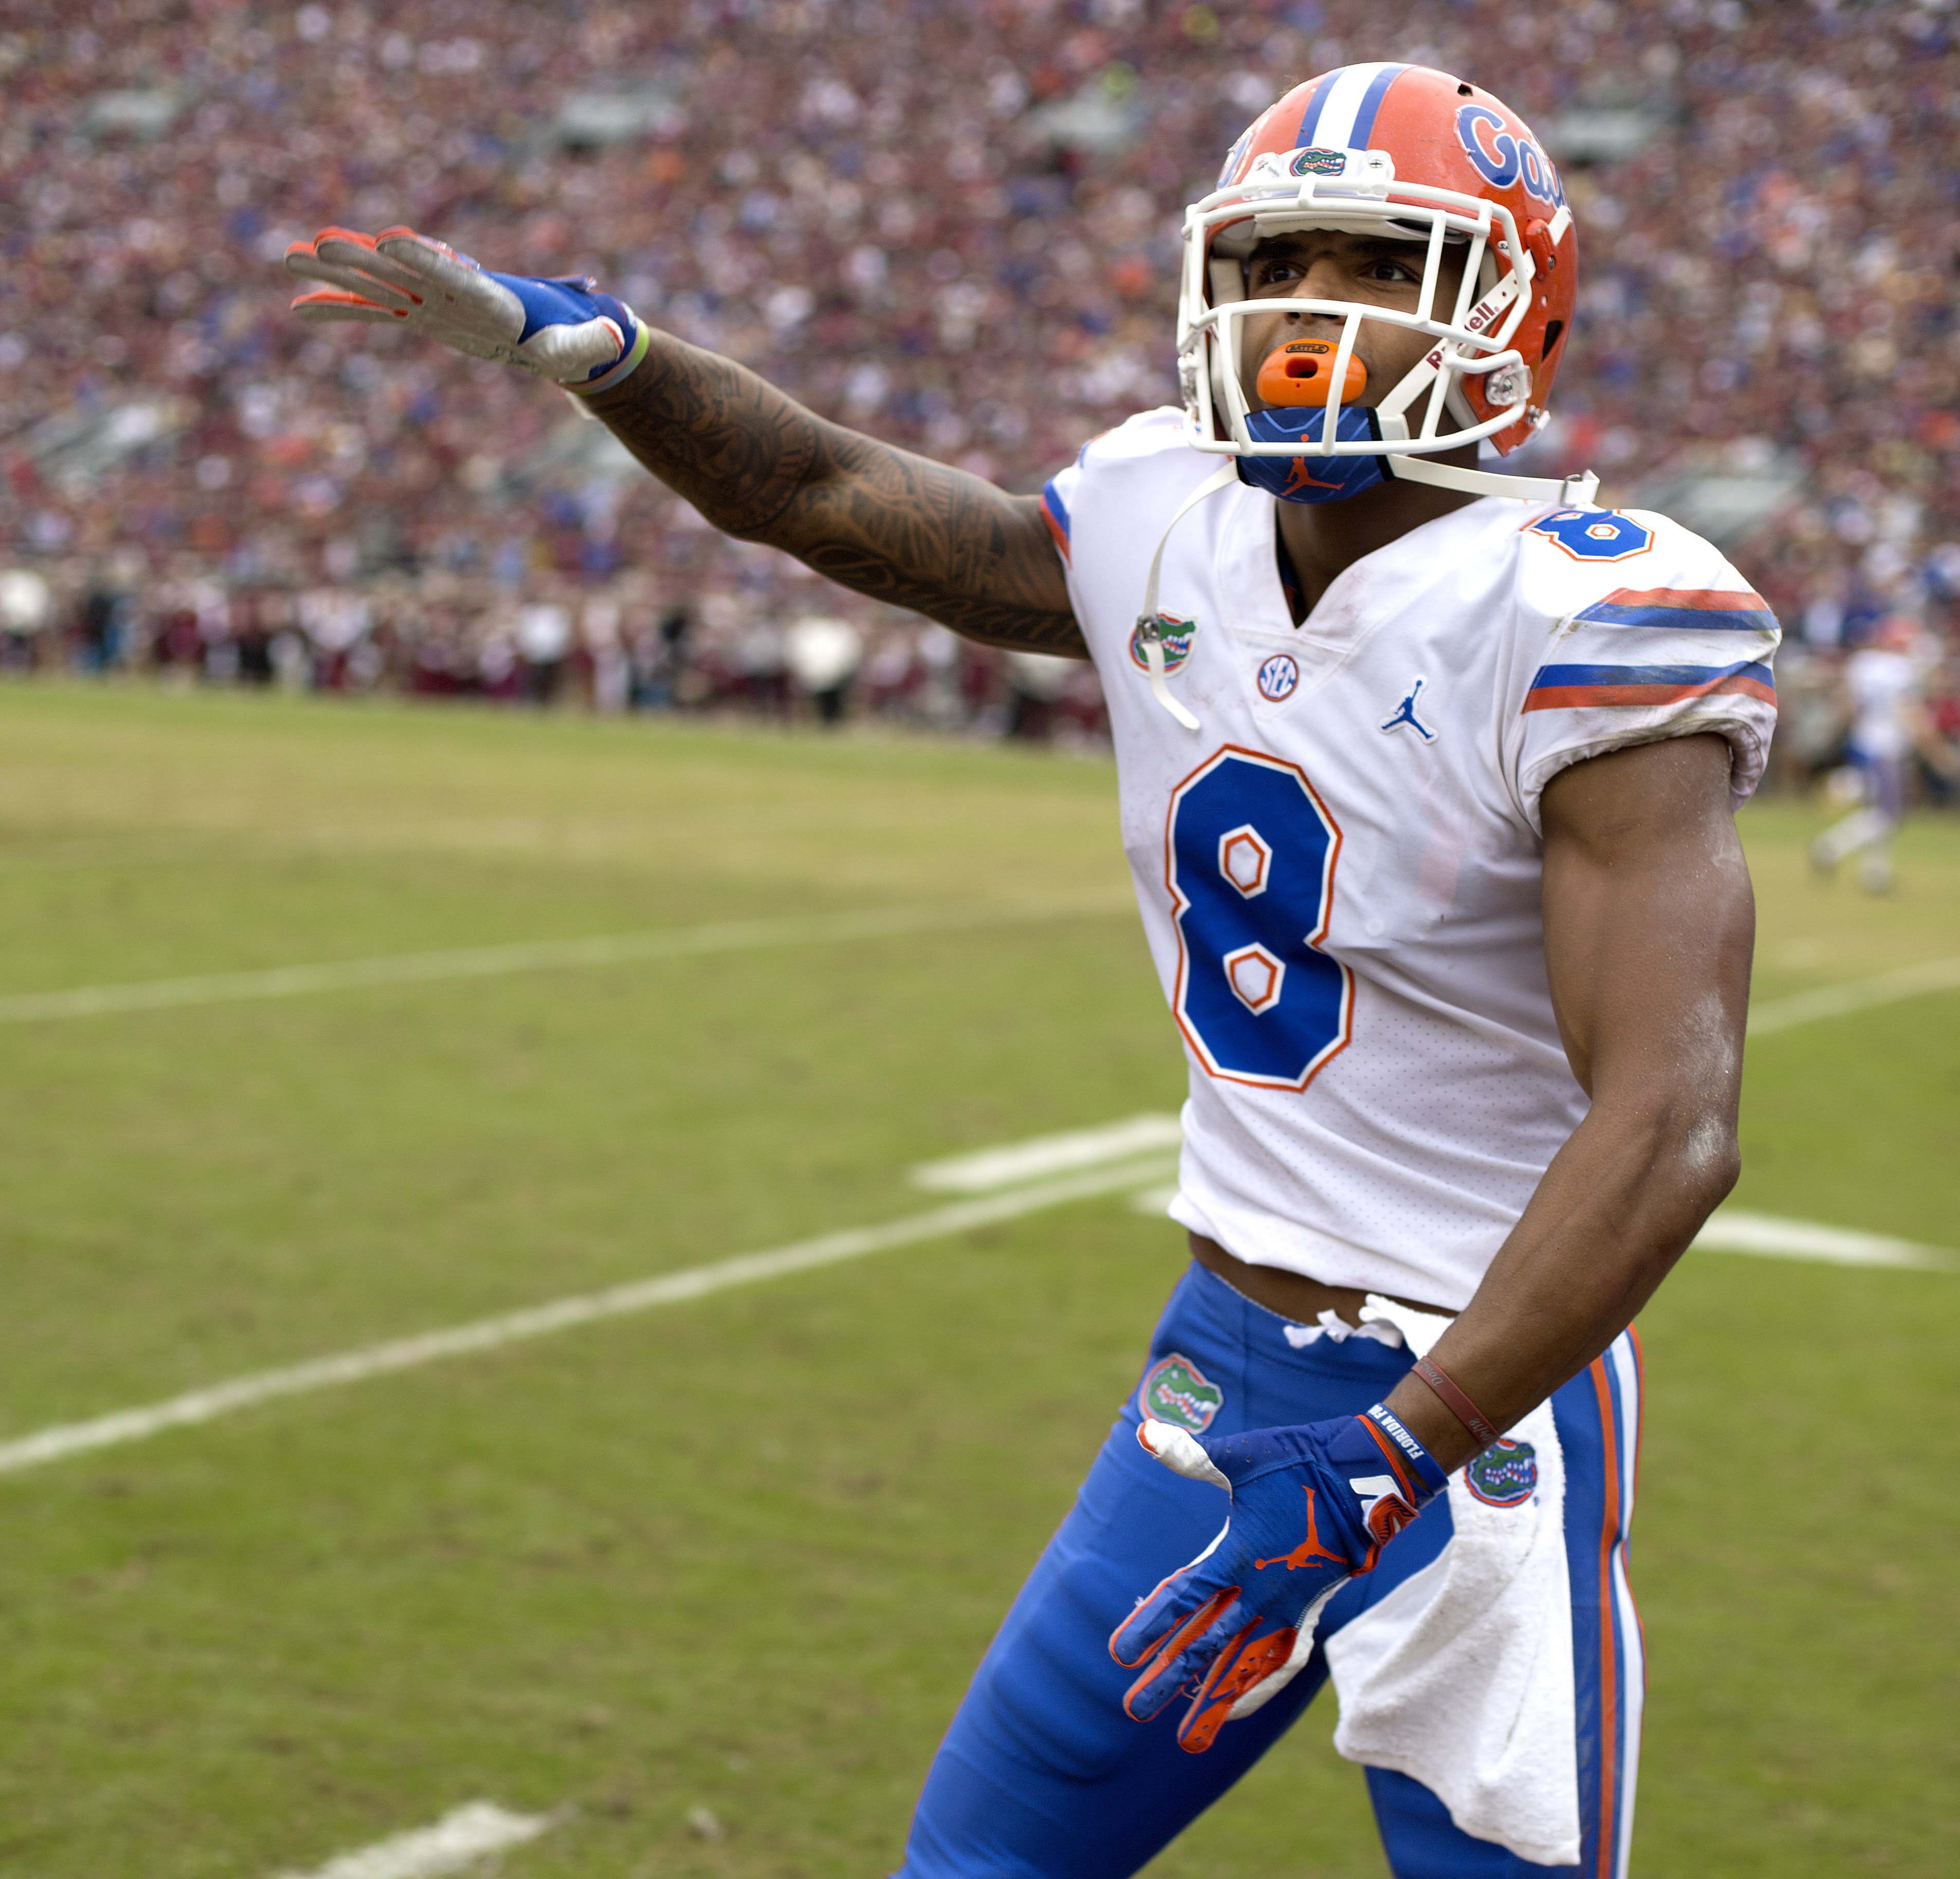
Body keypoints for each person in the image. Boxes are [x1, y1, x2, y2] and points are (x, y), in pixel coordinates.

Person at [285, 61, 1778, 1879]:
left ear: (1505, 306)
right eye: (1274, 259)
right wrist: (606, 356)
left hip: (1477, 1414)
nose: (1308, 307)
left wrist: (1400, 1446)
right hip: (1223, 1370)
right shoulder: (1160, 512)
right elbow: (828, 489)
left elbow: (1670, 1119)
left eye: (1378, 264)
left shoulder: (1588, 607)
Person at [1809, 614, 1939, 893]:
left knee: (1878, 811)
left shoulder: (1864, 664)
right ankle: (1831, 847)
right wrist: (1933, 748)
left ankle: (1875, 872)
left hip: (1863, 742)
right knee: (1888, 813)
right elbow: (1909, 711)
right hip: (1886, 747)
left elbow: (1849, 705)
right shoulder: (1901, 670)